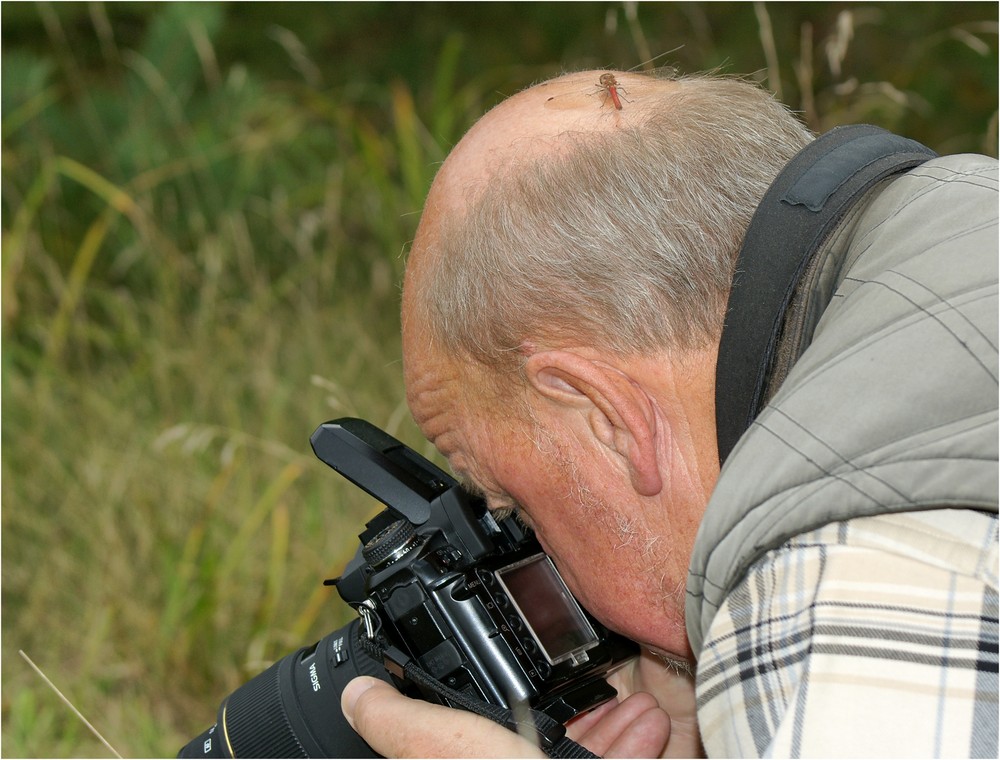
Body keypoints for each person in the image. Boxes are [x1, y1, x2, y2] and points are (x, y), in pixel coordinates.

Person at [339, 69, 998, 758]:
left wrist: (764, 682)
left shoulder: (825, 598)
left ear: (607, 416)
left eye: (517, 509)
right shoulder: (964, 205)